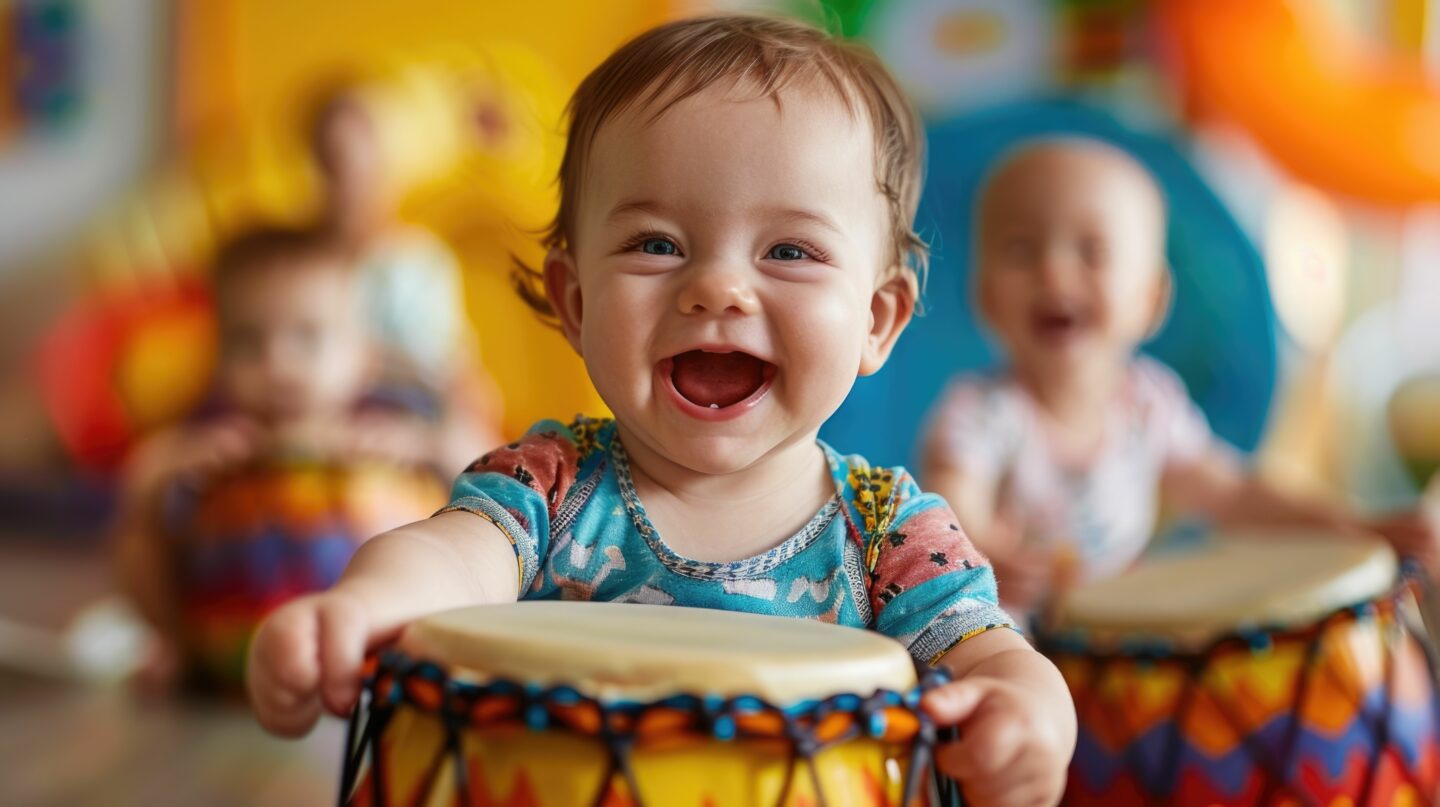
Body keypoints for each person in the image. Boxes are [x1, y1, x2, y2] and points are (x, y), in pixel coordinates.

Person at [249, 15, 1076, 806]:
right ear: (572, 299)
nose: (717, 286)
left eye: (789, 250)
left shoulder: (890, 533)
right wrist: (357, 609)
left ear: (875, 319)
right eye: (656, 244)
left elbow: (994, 652)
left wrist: (1029, 713)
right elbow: (451, 560)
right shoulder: (550, 484)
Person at [921, 137, 1439, 616]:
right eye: (1021, 250)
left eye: (1091, 251)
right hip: (1006, 634)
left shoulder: (1149, 404)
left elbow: (1234, 495)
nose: (1054, 272)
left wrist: (1354, 527)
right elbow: (953, 505)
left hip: (1110, 637)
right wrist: (983, 552)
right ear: (983, 295)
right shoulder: (979, 411)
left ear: (1151, 299)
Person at [113, 226, 447, 689]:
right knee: (140, 527)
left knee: (457, 525)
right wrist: (165, 470)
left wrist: (424, 447)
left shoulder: (382, 441)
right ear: (218, 357)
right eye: (248, 342)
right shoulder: (215, 452)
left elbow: (487, 473)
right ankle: (174, 647)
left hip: (368, 657)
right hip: (227, 654)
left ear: (364, 357)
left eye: (308, 337)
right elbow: (141, 497)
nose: (277, 364)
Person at [311, 85, 503, 476]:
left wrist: (459, 406)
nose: (352, 189)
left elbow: (448, 368)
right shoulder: (303, 262)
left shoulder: (417, 260)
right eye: (337, 168)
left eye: (364, 169)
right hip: (321, 405)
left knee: (471, 447)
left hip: (412, 404)